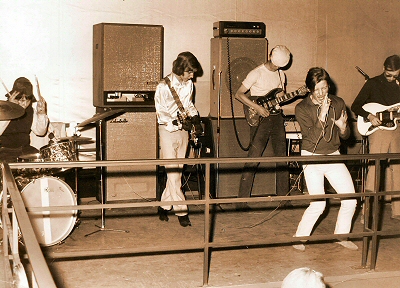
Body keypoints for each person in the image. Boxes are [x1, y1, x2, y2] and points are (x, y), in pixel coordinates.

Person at [293, 67, 358, 251]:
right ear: (309, 89)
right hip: (311, 157)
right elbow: (311, 139)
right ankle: (300, 238)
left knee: (350, 200)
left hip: (333, 156)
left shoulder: (338, 103)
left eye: (325, 88)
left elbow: (345, 137)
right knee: (319, 204)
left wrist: (343, 128)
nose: (322, 93)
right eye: (317, 89)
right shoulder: (302, 108)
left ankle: (341, 236)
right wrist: (321, 116)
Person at [235, 45, 291, 210]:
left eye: (279, 66)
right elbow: (239, 94)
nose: (276, 68)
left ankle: (284, 199)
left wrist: (292, 96)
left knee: (282, 157)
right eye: (275, 65)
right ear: (270, 57)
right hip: (261, 118)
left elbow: (280, 98)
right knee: (254, 157)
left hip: (276, 117)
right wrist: (258, 108)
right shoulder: (256, 72)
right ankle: (241, 201)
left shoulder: (282, 74)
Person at [154, 52, 203, 227]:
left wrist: (195, 119)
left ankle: (163, 206)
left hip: (183, 130)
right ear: (180, 70)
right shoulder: (163, 86)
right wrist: (177, 123)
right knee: (174, 172)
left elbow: (188, 104)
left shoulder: (188, 84)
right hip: (167, 131)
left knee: (177, 170)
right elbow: (161, 113)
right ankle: (182, 211)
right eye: (190, 72)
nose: (193, 76)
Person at [351, 55, 400, 220]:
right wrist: (370, 116)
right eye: (389, 75)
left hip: (396, 129)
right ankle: (368, 212)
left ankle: (398, 210)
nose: (392, 78)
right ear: (384, 68)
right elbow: (355, 105)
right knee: (375, 170)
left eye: (395, 76)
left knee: (398, 169)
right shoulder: (372, 83)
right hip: (378, 130)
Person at [0, 77, 49, 163]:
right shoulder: (2, 108)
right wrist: (10, 110)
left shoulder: (30, 111)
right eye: (21, 99)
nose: (24, 103)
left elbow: (40, 132)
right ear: (14, 97)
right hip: (4, 150)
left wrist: (42, 114)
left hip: (24, 149)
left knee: (41, 159)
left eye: (27, 99)